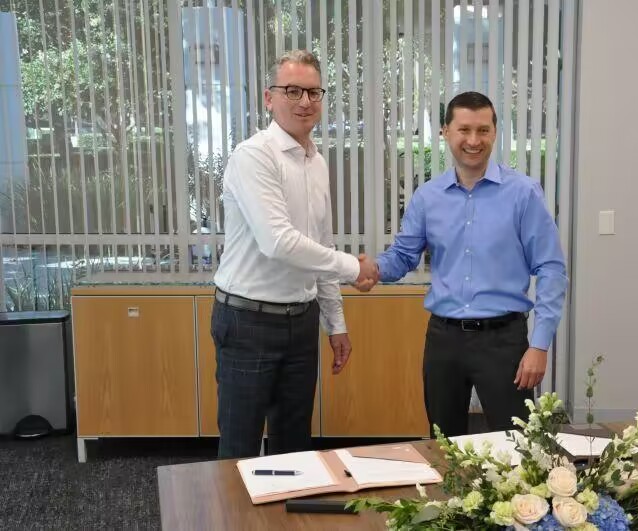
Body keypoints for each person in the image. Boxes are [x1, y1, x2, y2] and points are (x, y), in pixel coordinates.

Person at [212, 50, 378, 458]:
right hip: (248, 322)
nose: (305, 101)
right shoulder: (253, 156)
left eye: (313, 92)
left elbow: (320, 247)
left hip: (301, 323)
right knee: (239, 449)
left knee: (294, 449)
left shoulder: (316, 162)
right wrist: (353, 268)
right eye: (292, 91)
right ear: (269, 98)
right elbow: (278, 242)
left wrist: (335, 323)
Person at [373, 92, 567, 437]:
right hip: (444, 341)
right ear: (446, 132)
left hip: (504, 341)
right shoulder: (428, 197)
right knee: (444, 445)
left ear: (495, 132)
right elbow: (402, 257)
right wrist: (369, 270)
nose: (473, 141)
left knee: (517, 448)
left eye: (483, 130)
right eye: (464, 130)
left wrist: (539, 345)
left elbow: (551, 269)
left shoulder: (523, 194)